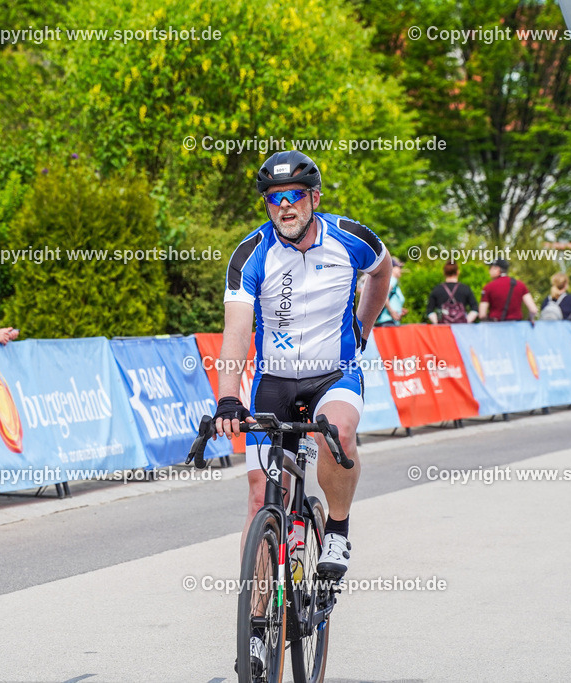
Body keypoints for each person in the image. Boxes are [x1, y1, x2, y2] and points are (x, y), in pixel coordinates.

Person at [214, 151, 391, 674]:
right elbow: (235, 332)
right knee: (258, 499)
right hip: (273, 382)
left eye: (294, 196)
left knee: (335, 431)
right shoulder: (251, 254)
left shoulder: (351, 238)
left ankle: (336, 528)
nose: (285, 206)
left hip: (333, 374)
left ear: (314, 197)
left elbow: (381, 272)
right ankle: (256, 629)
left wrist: (363, 326)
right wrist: (228, 398)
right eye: (274, 199)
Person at [478, 258, 537, 322]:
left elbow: (482, 315)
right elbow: (533, 310)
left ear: (497, 269)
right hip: (516, 325)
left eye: (490, 268)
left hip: (496, 325)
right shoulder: (520, 285)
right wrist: (530, 319)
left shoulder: (488, 287)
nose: (489, 270)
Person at [375, 258, 407, 325]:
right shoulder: (392, 280)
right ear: (392, 268)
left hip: (389, 322)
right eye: (399, 267)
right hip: (388, 321)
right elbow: (384, 296)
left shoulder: (392, 282)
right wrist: (392, 312)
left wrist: (399, 310)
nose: (400, 270)